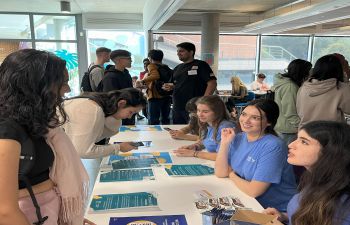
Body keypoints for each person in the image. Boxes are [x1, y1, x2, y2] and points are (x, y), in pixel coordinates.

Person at [0, 49, 91, 224]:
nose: (68, 89)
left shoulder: (35, 121)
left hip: (46, 211)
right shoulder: (7, 130)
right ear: (35, 86)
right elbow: (5, 211)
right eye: (62, 83)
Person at [215, 99, 297, 212]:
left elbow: (254, 190)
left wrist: (232, 174)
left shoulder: (273, 145)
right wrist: (224, 143)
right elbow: (220, 172)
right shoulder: (238, 137)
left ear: (269, 122)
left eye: (255, 118)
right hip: (248, 201)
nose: (246, 120)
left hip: (276, 210)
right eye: (244, 114)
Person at [264, 121, 350, 225]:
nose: (291, 145)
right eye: (297, 139)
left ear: (330, 152)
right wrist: (285, 217)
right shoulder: (316, 179)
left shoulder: (344, 209)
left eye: (304, 142)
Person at [62, 88, 147, 159]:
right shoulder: (93, 109)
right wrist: (119, 147)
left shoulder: (98, 105)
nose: (129, 117)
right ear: (121, 103)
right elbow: (83, 151)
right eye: (131, 112)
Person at [162, 42, 217, 124]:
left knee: (196, 132)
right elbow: (174, 84)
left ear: (191, 52)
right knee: (179, 131)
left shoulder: (201, 65)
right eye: (177, 51)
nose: (178, 53)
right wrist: (169, 86)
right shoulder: (177, 68)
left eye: (181, 51)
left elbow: (212, 83)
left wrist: (203, 101)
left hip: (194, 107)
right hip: (178, 107)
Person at [174, 95, 235, 161]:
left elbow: (223, 156)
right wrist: (195, 146)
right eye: (198, 110)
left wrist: (194, 153)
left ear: (217, 112)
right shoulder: (208, 123)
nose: (200, 114)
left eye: (205, 112)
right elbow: (207, 141)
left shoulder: (226, 127)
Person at [296, 54, 350, 127]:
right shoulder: (341, 88)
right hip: (330, 133)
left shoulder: (304, 86)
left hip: (306, 131)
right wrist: (346, 77)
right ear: (339, 69)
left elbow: (299, 110)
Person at [272, 59, 312, 144]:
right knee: (287, 154)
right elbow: (290, 112)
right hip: (288, 129)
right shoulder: (290, 87)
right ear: (302, 72)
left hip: (282, 125)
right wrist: (301, 126)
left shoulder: (283, 83)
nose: (310, 74)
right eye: (309, 71)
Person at [99, 49, 135, 125]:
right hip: (118, 115)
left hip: (128, 112)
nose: (131, 60)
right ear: (118, 60)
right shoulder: (110, 77)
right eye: (128, 58)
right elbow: (111, 99)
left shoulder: (126, 73)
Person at [141, 49, 172, 125]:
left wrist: (143, 81)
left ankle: (153, 136)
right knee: (165, 118)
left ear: (150, 58)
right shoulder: (166, 67)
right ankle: (165, 134)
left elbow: (155, 76)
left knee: (153, 119)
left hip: (155, 96)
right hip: (166, 95)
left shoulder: (151, 65)